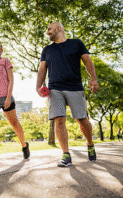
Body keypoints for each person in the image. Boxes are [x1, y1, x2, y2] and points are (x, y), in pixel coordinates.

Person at [36, 22, 99, 167]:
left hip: (75, 87)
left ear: (59, 29)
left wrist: (94, 79)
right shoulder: (47, 50)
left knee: (82, 119)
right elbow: (42, 69)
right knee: (59, 120)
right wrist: (38, 86)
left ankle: (90, 144)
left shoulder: (76, 43)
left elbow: (87, 61)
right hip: (54, 89)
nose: (47, 32)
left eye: (49, 29)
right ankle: (66, 154)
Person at [0, 41, 30, 163]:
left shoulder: (5, 61)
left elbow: (11, 80)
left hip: (5, 96)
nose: (0, 48)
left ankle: (24, 145)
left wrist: (8, 97)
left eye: (1, 46)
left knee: (14, 123)